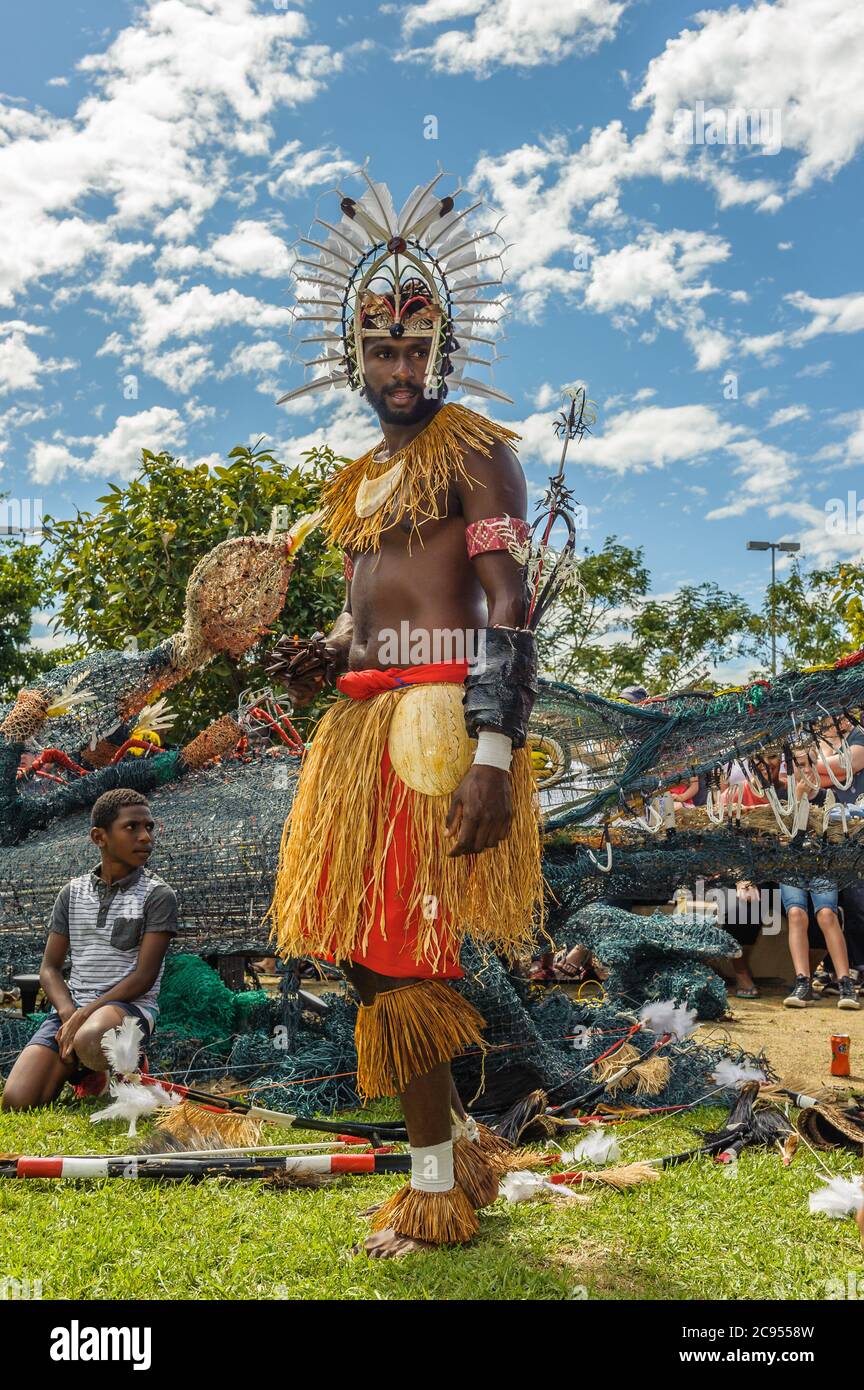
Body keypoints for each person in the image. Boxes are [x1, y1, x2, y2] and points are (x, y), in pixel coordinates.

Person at [263, 173, 543, 1257]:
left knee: (402, 958)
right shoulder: (358, 484)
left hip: (437, 731)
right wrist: (319, 652)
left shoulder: (476, 451)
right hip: (358, 731)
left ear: (443, 349)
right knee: (361, 953)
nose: (397, 370)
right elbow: (360, 616)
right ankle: (461, 1145)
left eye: (414, 349)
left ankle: (434, 1191)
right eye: (378, 351)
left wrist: (493, 752)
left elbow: (507, 601)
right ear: (353, 357)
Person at [1, 788, 177, 1111]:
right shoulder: (72, 893)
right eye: (132, 827)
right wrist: (69, 1013)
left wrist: (84, 1016)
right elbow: (50, 969)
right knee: (17, 1101)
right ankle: (85, 1071)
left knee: (91, 1040)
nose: (145, 837)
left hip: (128, 1008)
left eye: (149, 827)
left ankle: (125, 1061)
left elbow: (143, 978)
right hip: (75, 1011)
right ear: (99, 837)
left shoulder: (158, 895)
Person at [778, 743, 859, 1010]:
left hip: (822, 867)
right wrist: (798, 801)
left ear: (815, 766)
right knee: (796, 915)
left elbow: (836, 839)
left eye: (807, 764)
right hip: (792, 867)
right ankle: (803, 981)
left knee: (826, 915)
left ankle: (846, 982)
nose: (804, 770)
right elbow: (785, 844)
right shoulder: (782, 798)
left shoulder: (829, 797)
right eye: (797, 766)